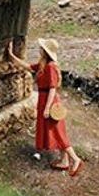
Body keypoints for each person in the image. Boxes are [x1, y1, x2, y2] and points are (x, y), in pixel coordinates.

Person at [7, 38, 85, 177]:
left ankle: (75, 159)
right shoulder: (44, 64)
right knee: (57, 131)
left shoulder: (51, 67)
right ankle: (64, 161)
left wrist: (47, 108)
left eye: (41, 48)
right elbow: (27, 66)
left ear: (45, 51)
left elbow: (52, 89)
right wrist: (11, 56)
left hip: (50, 102)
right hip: (44, 100)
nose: (39, 49)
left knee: (58, 132)